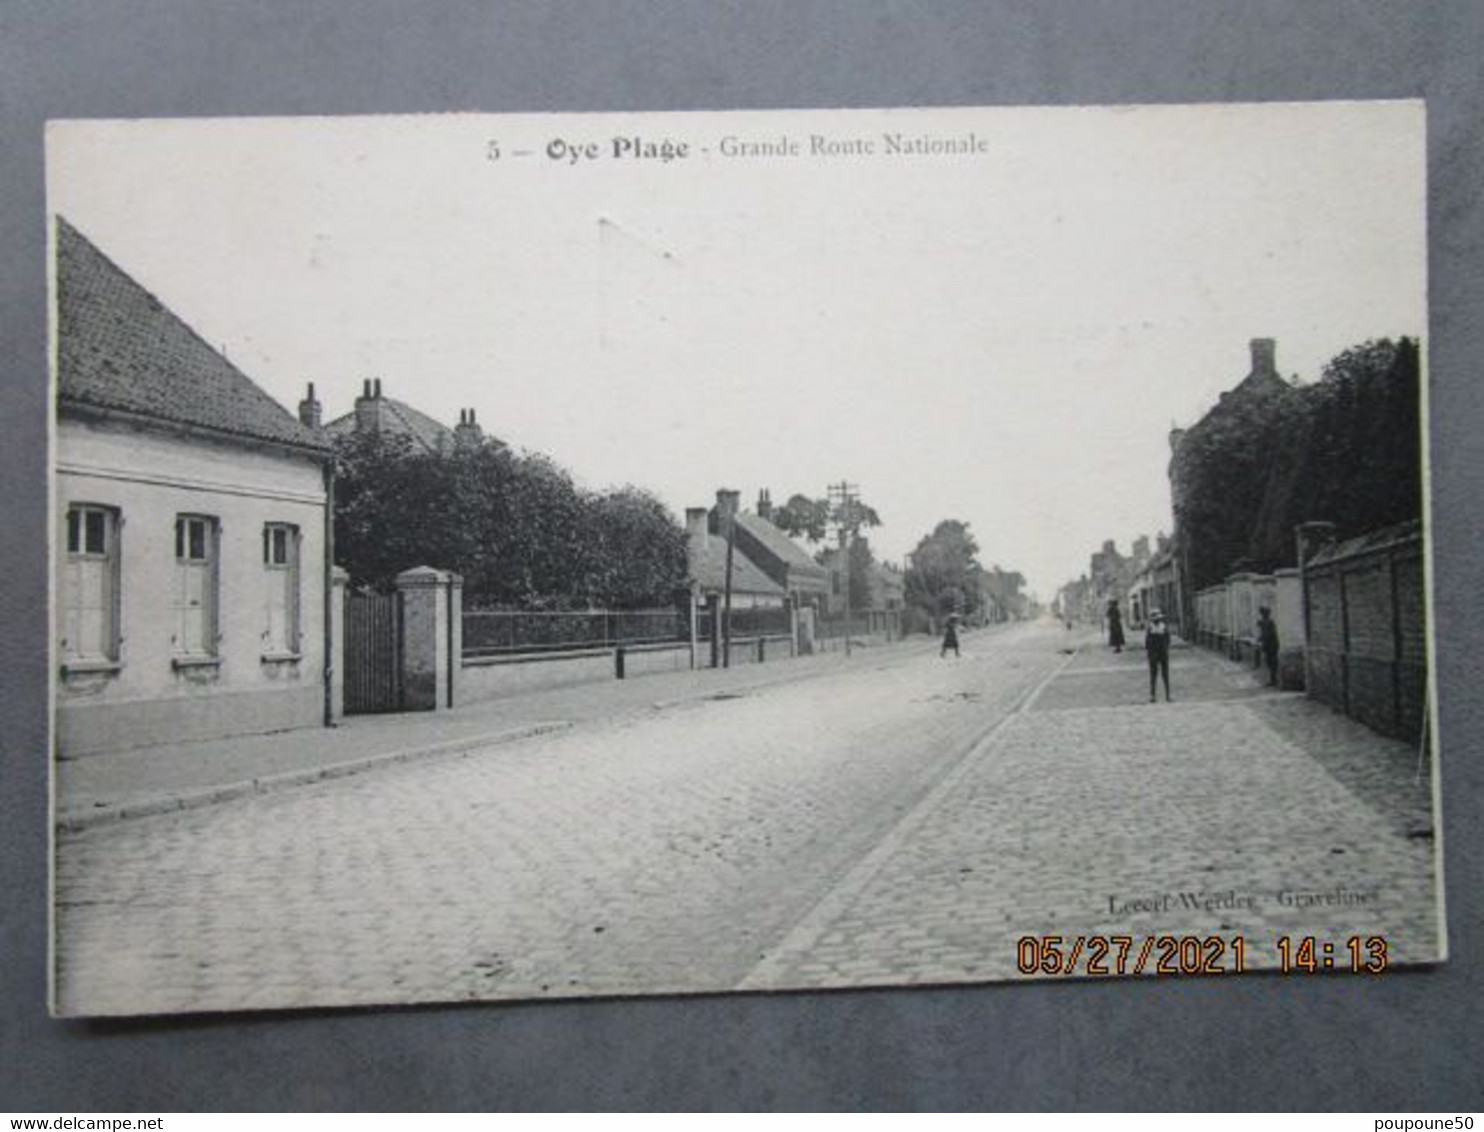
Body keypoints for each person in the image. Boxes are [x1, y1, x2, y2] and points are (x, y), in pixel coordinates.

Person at [1145, 608, 1172, 702]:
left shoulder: (1154, 628)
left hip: (1159, 653)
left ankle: (1165, 695)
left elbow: (1147, 644)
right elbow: (1168, 641)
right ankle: (1155, 695)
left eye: (1158, 619)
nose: (1157, 620)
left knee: (1162, 675)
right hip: (1159, 653)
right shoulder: (1162, 628)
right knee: (1156, 675)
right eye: (1156, 619)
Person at [1258, 606, 1281, 687]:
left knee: (1272, 663)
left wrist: (1262, 638)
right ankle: (1273, 679)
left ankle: (1274, 680)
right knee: (1270, 663)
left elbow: (1269, 634)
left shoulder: (1268, 623)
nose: (1262, 615)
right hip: (1270, 646)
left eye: (1263, 614)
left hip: (1271, 646)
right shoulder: (1266, 622)